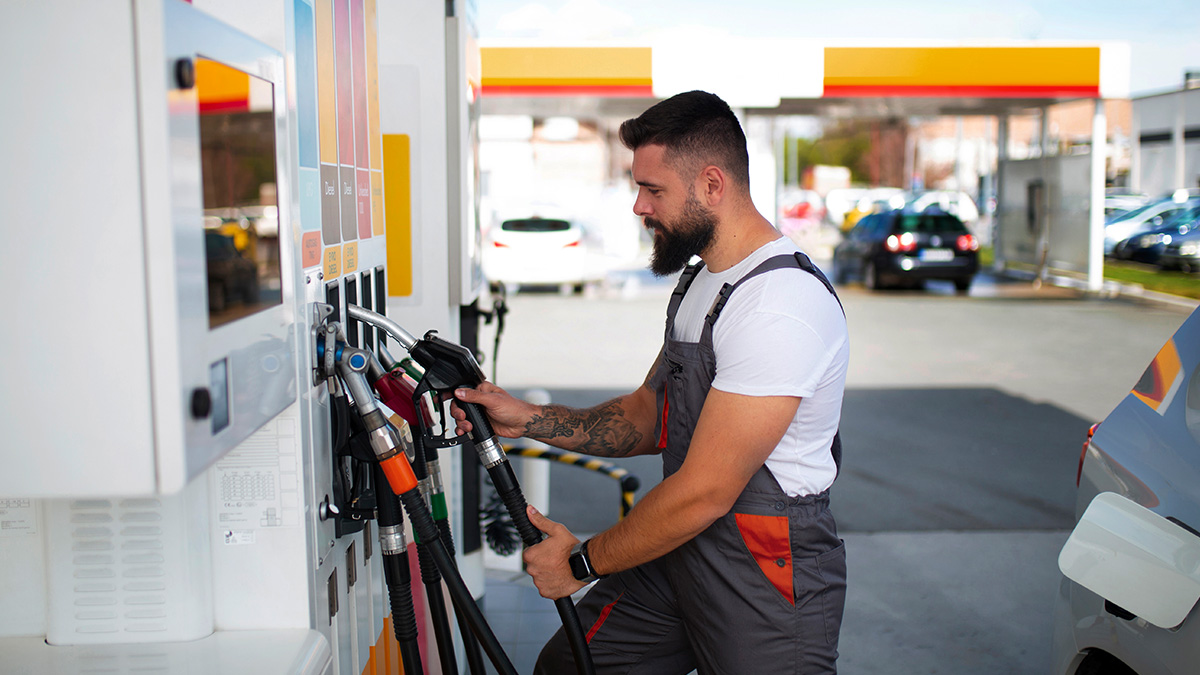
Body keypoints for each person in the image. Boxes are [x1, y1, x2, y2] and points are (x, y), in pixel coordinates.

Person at [453, 90, 848, 674]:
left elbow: (706, 491)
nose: (638, 206)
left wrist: (581, 563)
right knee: (573, 667)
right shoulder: (703, 283)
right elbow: (648, 414)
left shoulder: (778, 304)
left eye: (653, 189)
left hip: (762, 567)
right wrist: (527, 419)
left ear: (712, 185)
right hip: (684, 546)